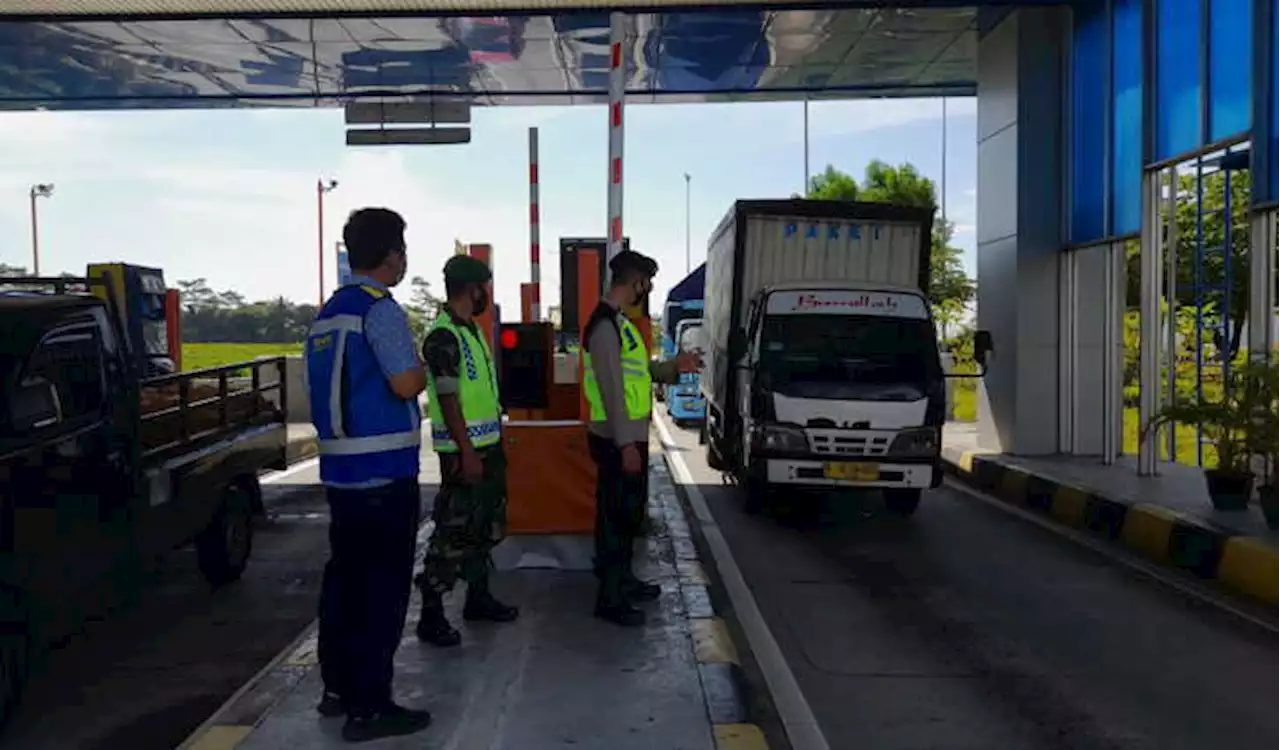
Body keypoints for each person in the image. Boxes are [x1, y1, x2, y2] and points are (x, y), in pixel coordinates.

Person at [306, 207, 433, 743]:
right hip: (384, 477)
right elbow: (405, 384)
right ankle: (371, 706)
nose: (404, 260)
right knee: (382, 595)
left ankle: (337, 690)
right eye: (402, 250)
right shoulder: (379, 311)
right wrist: (427, 367)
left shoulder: (329, 314)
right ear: (389, 255)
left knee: (346, 587)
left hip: (342, 476)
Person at [583, 250, 701, 626]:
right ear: (634, 282)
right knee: (615, 519)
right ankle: (610, 597)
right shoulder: (604, 326)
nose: (646, 289)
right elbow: (613, 390)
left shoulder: (622, 323)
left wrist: (673, 368)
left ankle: (624, 581)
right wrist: (626, 444)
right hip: (617, 438)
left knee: (626, 516)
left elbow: (639, 370)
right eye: (645, 283)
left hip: (629, 435)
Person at [414, 254, 520, 647]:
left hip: (486, 447)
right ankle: (431, 613)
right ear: (473, 289)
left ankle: (478, 597)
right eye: (483, 288)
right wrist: (468, 452)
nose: (485, 296)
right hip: (464, 455)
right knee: (452, 532)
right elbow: (450, 401)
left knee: (484, 527)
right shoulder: (443, 336)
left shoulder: (470, 331)